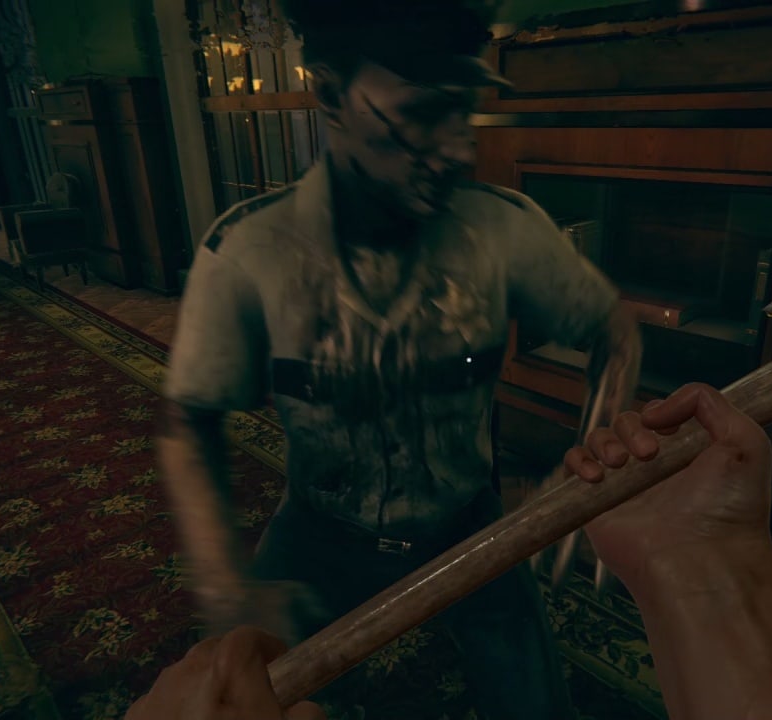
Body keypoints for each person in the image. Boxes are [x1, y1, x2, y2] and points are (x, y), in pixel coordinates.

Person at [155, 0, 641, 717]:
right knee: (243, 695)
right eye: (420, 112)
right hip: (318, 532)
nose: (457, 150)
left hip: (469, 526)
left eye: (462, 111)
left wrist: (586, 473)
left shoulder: (506, 232)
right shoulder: (248, 252)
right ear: (329, 93)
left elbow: (614, 331)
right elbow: (188, 421)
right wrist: (230, 589)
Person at [130, 383, 772, 720]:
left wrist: (699, 549)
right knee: (231, 668)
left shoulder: (496, 249)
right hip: (320, 523)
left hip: (462, 520)